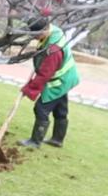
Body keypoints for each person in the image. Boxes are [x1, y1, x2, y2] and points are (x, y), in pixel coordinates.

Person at [19, 18, 79, 148]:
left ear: (45, 29)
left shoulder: (53, 50)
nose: (35, 38)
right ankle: (57, 140)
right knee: (60, 109)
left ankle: (35, 141)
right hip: (67, 76)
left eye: (37, 35)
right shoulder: (54, 30)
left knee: (41, 108)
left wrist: (29, 89)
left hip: (59, 80)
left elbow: (45, 74)